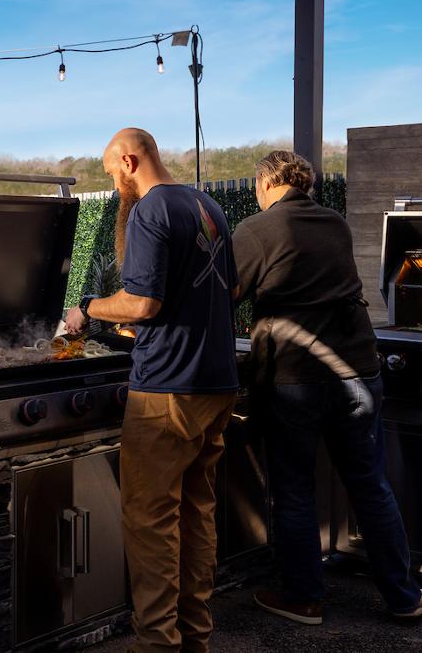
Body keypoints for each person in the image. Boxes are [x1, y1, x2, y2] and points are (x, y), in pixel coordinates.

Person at [65, 128, 239, 652]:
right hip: (216, 381)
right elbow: (217, 293)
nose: (114, 181)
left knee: (150, 519)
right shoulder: (209, 207)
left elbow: (141, 304)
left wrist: (88, 309)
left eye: (112, 171)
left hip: (167, 390)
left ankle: (156, 644)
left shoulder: (149, 210)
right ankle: (194, 637)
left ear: (130, 159)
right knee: (196, 513)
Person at [233, 150, 421, 623]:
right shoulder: (335, 221)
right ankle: (405, 597)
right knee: (370, 486)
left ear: (264, 185)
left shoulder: (255, 229)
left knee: (295, 489)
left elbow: (225, 293)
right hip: (358, 370)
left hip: (297, 377)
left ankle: (304, 599)